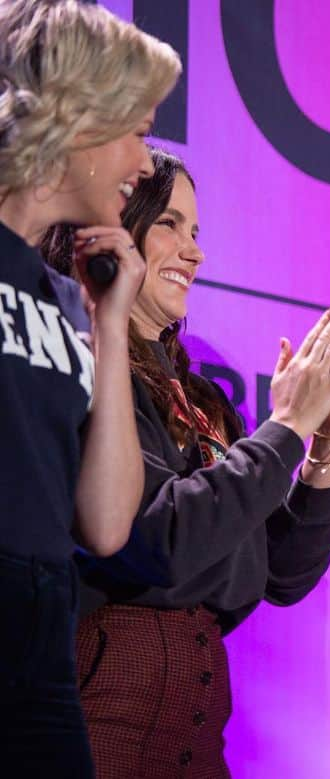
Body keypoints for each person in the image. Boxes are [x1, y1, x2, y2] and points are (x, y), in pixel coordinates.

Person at [44, 148, 330, 776]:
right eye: (169, 224)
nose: (195, 253)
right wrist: (288, 423)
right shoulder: (81, 365)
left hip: (196, 740)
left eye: (197, 232)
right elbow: (155, 541)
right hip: (96, 725)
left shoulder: (205, 400)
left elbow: (284, 574)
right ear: (112, 227)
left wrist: (326, 437)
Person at [0, 1, 179, 773]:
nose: (145, 163)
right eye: (138, 130)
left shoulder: (59, 295)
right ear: (76, 118)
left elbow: (106, 522)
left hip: (42, 650)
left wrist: (109, 327)